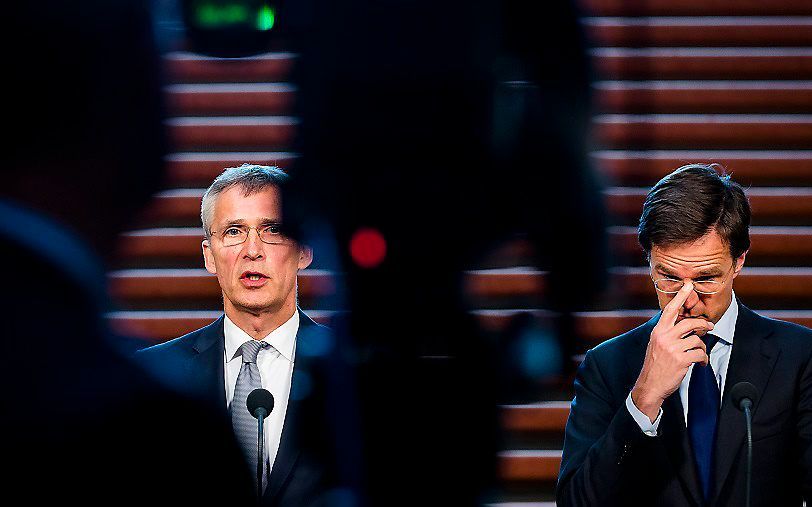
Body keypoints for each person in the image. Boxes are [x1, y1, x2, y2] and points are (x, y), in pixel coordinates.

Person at [557, 164, 812, 506]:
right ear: (649, 261)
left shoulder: (798, 357)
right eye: (670, 279)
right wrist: (643, 398)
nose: (687, 300)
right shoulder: (607, 366)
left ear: (739, 261)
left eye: (706, 278)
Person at [136, 164, 361, 506]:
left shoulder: (352, 370)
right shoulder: (153, 376)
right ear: (209, 256)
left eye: (272, 230)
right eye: (233, 232)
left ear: (304, 251)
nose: (252, 250)